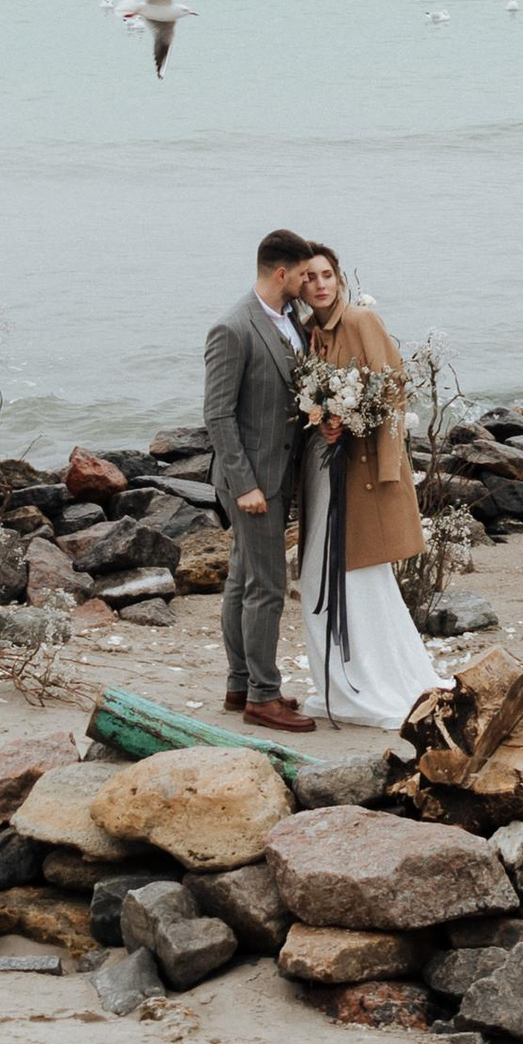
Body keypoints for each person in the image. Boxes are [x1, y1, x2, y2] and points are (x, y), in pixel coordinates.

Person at [292, 242, 440, 730]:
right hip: (324, 475)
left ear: (339, 279)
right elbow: (317, 401)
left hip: (359, 477)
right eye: (309, 276)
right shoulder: (310, 334)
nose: (319, 284)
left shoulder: (359, 322)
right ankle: (339, 683)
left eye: (326, 275)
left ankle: (369, 686)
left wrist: (381, 461)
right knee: (318, 577)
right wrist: (322, 421)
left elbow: (392, 389)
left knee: (357, 578)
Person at [201, 230, 319, 732]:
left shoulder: (289, 319)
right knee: (266, 586)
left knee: (241, 579)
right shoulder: (233, 328)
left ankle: (239, 684)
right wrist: (245, 484)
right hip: (251, 481)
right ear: (281, 273)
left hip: (277, 470)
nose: (308, 281)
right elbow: (218, 415)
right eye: (302, 274)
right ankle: (262, 698)